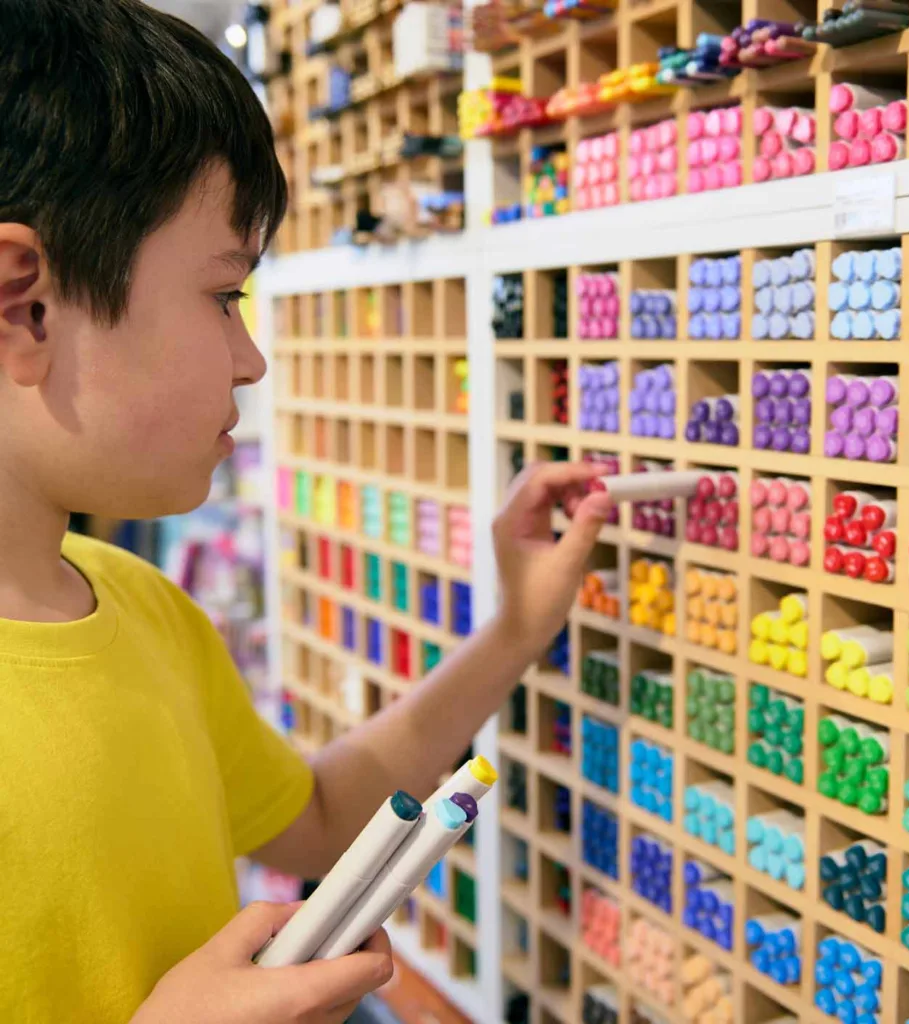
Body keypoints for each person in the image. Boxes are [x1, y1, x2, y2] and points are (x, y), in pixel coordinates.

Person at [0, 0, 614, 1021]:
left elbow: (321, 815)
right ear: (25, 302)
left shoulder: (144, 609)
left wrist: (515, 627)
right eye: (224, 295)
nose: (253, 359)